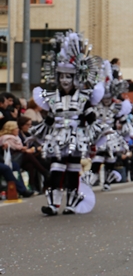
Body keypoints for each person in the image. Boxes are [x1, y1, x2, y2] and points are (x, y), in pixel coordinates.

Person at [30, 31, 103, 215]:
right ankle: (53, 205)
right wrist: (35, 135)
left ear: (75, 78)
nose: (64, 80)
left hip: (76, 137)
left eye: (68, 77)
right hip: (57, 136)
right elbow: (48, 120)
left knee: (72, 169)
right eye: (62, 77)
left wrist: (103, 134)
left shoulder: (84, 97)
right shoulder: (52, 98)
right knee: (56, 167)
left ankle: (71, 203)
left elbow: (90, 118)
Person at [87, 60, 133, 191]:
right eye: (104, 98)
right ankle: (91, 179)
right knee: (98, 157)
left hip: (112, 135)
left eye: (108, 98)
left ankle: (107, 181)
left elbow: (124, 121)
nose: (106, 100)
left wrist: (127, 137)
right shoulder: (95, 106)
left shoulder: (118, 106)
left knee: (111, 158)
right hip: (98, 134)